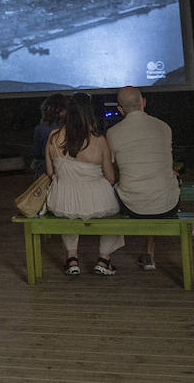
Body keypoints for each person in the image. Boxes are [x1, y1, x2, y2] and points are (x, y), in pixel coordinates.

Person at [45, 92, 123, 276]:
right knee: (116, 216)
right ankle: (104, 259)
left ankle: (72, 258)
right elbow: (111, 178)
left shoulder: (53, 137)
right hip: (97, 200)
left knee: (68, 212)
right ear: (89, 114)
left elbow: (50, 173)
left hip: (62, 199)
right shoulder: (99, 140)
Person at [106, 85, 180, 271]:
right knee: (159, 186)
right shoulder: (164, 127)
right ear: (143, 103)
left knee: (118, 189)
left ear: (120, 109)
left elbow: (113, 170)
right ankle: (149, 252)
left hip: (132, 204)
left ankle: (104, 255)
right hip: (168, 203)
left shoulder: (113, 133)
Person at [29, 92, 68, 176]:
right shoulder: (70, 127)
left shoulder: (41, 129)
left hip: (45, 171)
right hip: (67, 170)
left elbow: (37, 153)